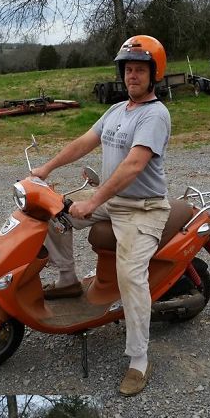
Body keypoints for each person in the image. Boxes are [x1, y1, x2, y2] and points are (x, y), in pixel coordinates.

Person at [33, 35, 171, 397]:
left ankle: (139, 359)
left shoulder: (155, 115)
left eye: (140, 70)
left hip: (144, 209)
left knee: (130, 275)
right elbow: (83, 142)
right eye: (128, 70)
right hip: (112, 200)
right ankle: (67, 279)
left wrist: (93, 202)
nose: (132, 76)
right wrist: (44, 170)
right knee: (50, 214)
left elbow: (134, 165)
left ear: (154, 74)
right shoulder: (117, 110)